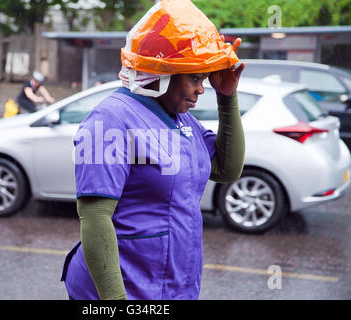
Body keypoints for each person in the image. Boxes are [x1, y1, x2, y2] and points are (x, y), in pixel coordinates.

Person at [61, 0, 246, 300]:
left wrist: (228, 97)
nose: (202, 88)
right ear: (163, 73)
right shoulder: (110, 120)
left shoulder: (181, 117)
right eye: (195, 78)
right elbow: (95, 218)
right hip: (121, 291)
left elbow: (227, 169)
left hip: (170, 286)